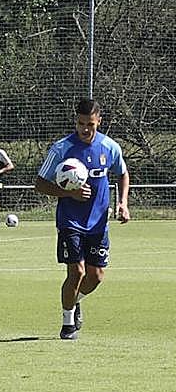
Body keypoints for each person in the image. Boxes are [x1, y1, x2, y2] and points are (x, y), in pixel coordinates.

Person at [34, 98, 130, 341]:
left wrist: (122, 203)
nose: (85, 129)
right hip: (70, 221)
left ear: (99, 121)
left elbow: (123, 174)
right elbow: (40, 183)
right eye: (80, 123)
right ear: (75, 121)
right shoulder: (61, 148)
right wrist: (69, 193)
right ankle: (67, 324)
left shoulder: (110, 147)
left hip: (98, 223)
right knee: (75, 272)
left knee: (95, 276)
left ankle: (75, 301)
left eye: (90, 124)